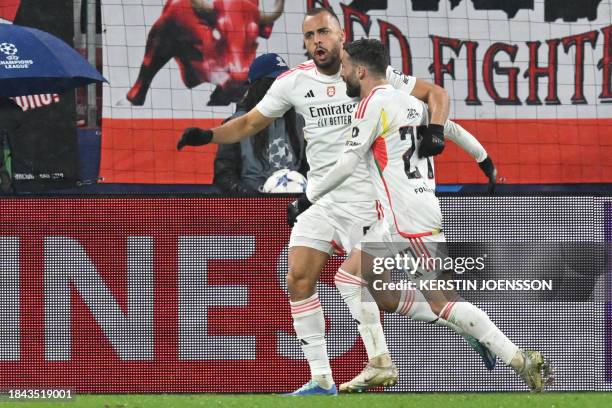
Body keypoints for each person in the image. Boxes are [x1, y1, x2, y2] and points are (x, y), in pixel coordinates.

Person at [176, 7, 497, 395]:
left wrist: (436, 133)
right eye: (309, 37)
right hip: (324, 199)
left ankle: (464, 325)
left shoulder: (371, 76)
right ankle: (321, 379)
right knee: (297, 276)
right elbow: (248, 123)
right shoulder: (294, 82)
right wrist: (208, 136)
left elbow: (434, 94)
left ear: (341, 34)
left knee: (386, 295)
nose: (317, 43)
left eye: (323, 33)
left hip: (370, 201)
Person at [296, 38, 554, 392]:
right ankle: (380, 363)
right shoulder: (414, 104)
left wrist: (308, 198)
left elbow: (347, 163)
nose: (341, 76)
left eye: (343, 69)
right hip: (400, 215)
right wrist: (487, 164)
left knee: (444, 303)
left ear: (359, 70)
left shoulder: (372, 105)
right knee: (350, 279)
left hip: (407, 218)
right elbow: (450, 129)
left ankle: (520, 360)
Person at [213, 53, 307, 196]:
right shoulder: (235, 125)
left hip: (295, 206)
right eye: (275, 81)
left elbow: (311, 168)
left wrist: (304, 195)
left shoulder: (300, 122)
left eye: (285, 81)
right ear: (259, 86)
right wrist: (251, 197)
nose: (282, 88)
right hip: (253, 208)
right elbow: (224, 175)